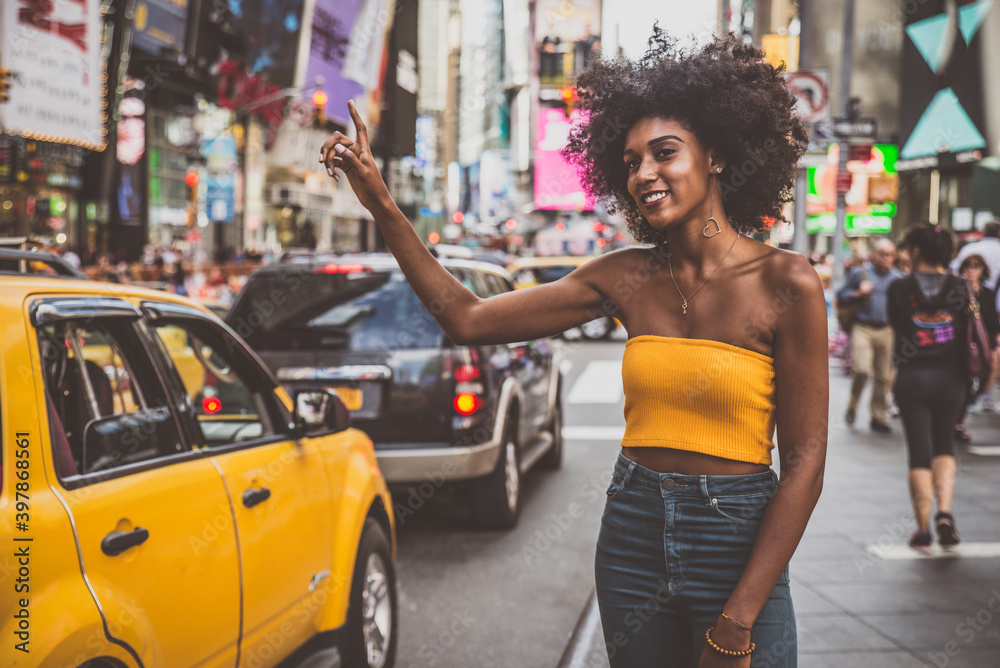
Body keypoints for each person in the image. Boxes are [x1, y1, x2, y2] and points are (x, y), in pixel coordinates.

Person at [321, 31, 828, 667]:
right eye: (631, 160)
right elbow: (469, 319)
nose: (645, 173)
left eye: (664, 153)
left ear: (718, 154)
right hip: (633, 532)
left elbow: (806, 460)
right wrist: (383, 206)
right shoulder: (622, 276)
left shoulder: (788, 282)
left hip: (738, 539)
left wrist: (739, 617)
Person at [888, 224, 969, 550]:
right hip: (951, 378)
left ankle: (922, 530)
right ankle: (945, 513)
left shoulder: (899, 287)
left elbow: (895, 323)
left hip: (912, 377)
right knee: (944, 446)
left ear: (917, 250)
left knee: (919, 452)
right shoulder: (960, 286)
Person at [837, 239, 904, 433]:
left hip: (887, 330)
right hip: (862, 327)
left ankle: (878, 416)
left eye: (890, 254)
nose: (886, 258)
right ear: (874, 255)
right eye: (882, 254)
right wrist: (858, 292)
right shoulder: (860, 273)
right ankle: (853, 405)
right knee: (861, 369)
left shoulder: (897, 278)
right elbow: (841, 295)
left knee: (883, 376)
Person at [954, 254, 1000, 439]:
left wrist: (996, 343)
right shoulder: (957, 291)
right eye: (968, 266)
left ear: (982, 270)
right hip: (962, 344)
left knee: (986, 378)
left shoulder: (987, 293)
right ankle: (957, 422)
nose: (971, 270)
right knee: (963, 382)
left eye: (976, 266)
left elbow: (992, 321)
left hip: (983, 344)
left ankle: (960, 414)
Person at [951, 220, 1000, 307]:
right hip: (994, 302)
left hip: (967, 298)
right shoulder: (969, 249)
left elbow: (955, 270)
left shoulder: (968, 249)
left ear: (983, 232)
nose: (971, 270)